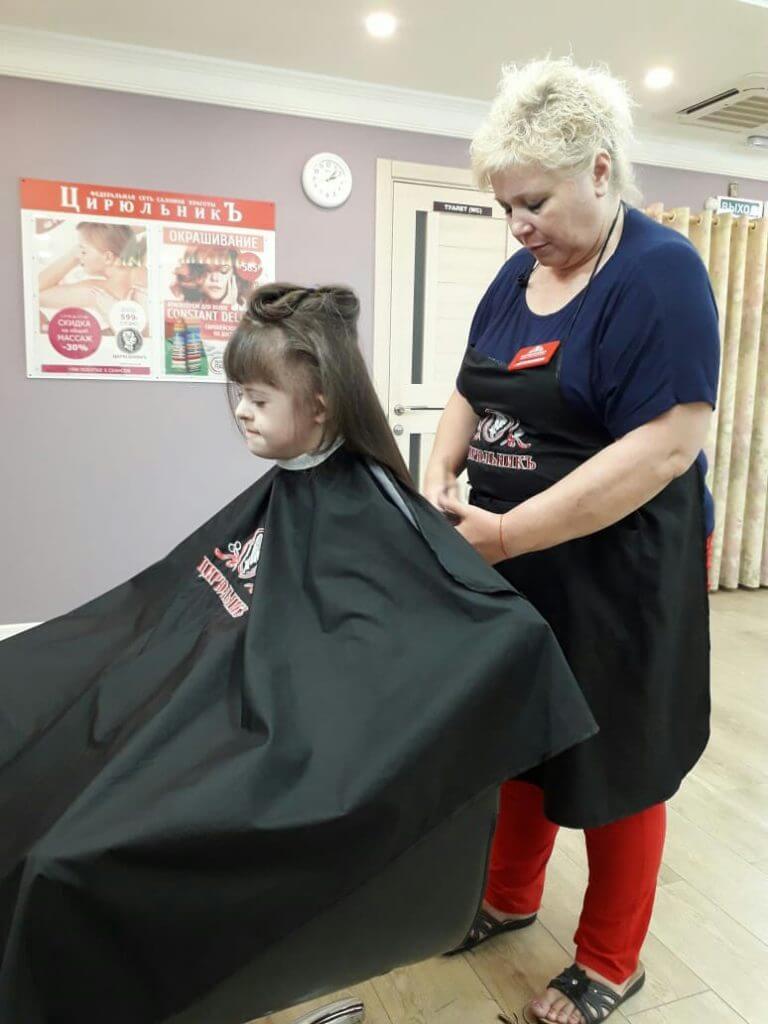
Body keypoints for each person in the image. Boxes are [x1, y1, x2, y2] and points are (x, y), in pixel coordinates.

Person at [0, 283, 596, 1024]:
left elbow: (493, 631)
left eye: (257, 397)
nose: (241, 413)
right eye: (238, 395)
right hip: (201, 699)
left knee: (64, 860)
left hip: (276, 744)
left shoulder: (368, 508)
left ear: (319, 406)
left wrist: (513, 660)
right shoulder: (291, 487)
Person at [426, 58, 720, 1024]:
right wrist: (439, 475)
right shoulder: (519, 275)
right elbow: (470, 385)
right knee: (519, 735)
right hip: (512, 564)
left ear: (600, 169)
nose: (518, 225)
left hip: (618, 572)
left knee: (618, 760)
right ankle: (509, 898)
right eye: (505, 207)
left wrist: (508, 531)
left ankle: (609, 961)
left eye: (535, 202)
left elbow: (668, 444)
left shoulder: (659, 272)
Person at [38, 221, 148, 322]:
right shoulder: (145, 269)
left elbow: (36, 294)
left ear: (108, 257)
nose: (80, 256)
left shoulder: (97, 292)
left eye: (83, 251)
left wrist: (71, 257)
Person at [171, 244, 250, 307]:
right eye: (207, 269)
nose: (215, 278)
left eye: (223, 270)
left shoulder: (248, 310)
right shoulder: (183, 310)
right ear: (194, 273)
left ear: (235, 273)